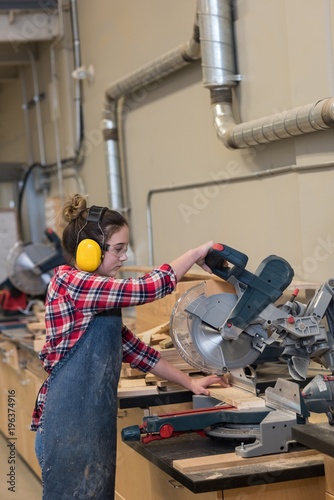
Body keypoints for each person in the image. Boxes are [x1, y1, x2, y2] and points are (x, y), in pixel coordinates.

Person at [31, 193, 229, 500]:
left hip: (88, 429)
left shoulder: (96, 292)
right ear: (89, 251)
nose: (124, 257)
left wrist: (190, 381)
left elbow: (136, 351)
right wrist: (196, 252)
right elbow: (147, 288)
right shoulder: (74, 283)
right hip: (66, 431)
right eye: (119, 249)